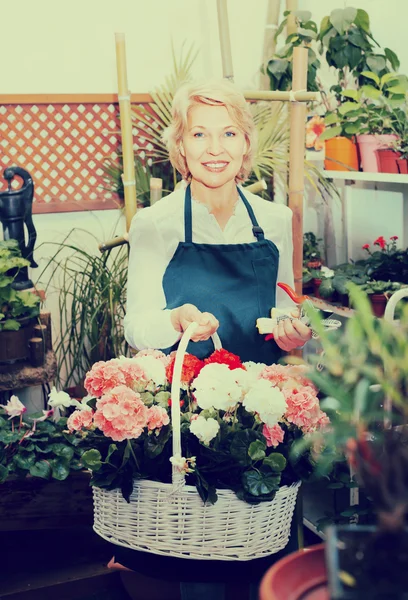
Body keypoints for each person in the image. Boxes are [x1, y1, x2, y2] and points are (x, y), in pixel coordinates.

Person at [121, 79, 312, 600]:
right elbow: (136, 324)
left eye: (228, 132)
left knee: (262, 550)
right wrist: (175, 319)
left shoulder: (275, 220)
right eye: (199, 134)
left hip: (262, 411)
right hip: (188, 417)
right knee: (203, 557)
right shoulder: (155, 224)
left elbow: (282, 308)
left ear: (246, 143)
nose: (215, 147)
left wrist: (292, 327)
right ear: (179, 146)